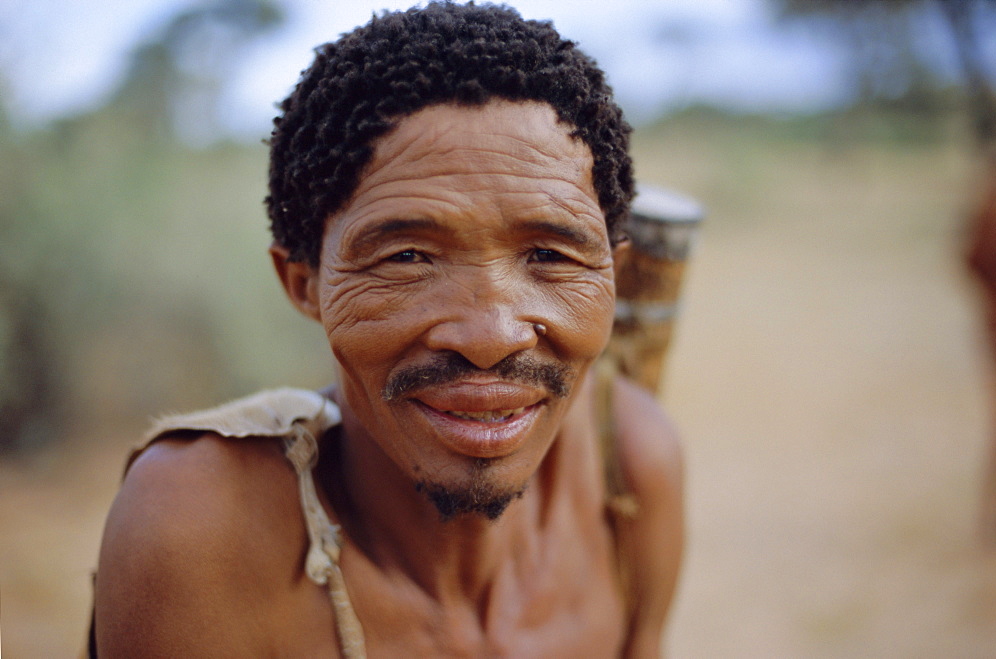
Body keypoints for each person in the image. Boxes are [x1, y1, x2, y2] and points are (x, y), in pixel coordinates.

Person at [91, 3, 684, 656]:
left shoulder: (628, 469)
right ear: (304, 284)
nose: (490, 335)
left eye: (550, 255)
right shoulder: (203, 529)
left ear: (614, 278)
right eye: (406, 258)